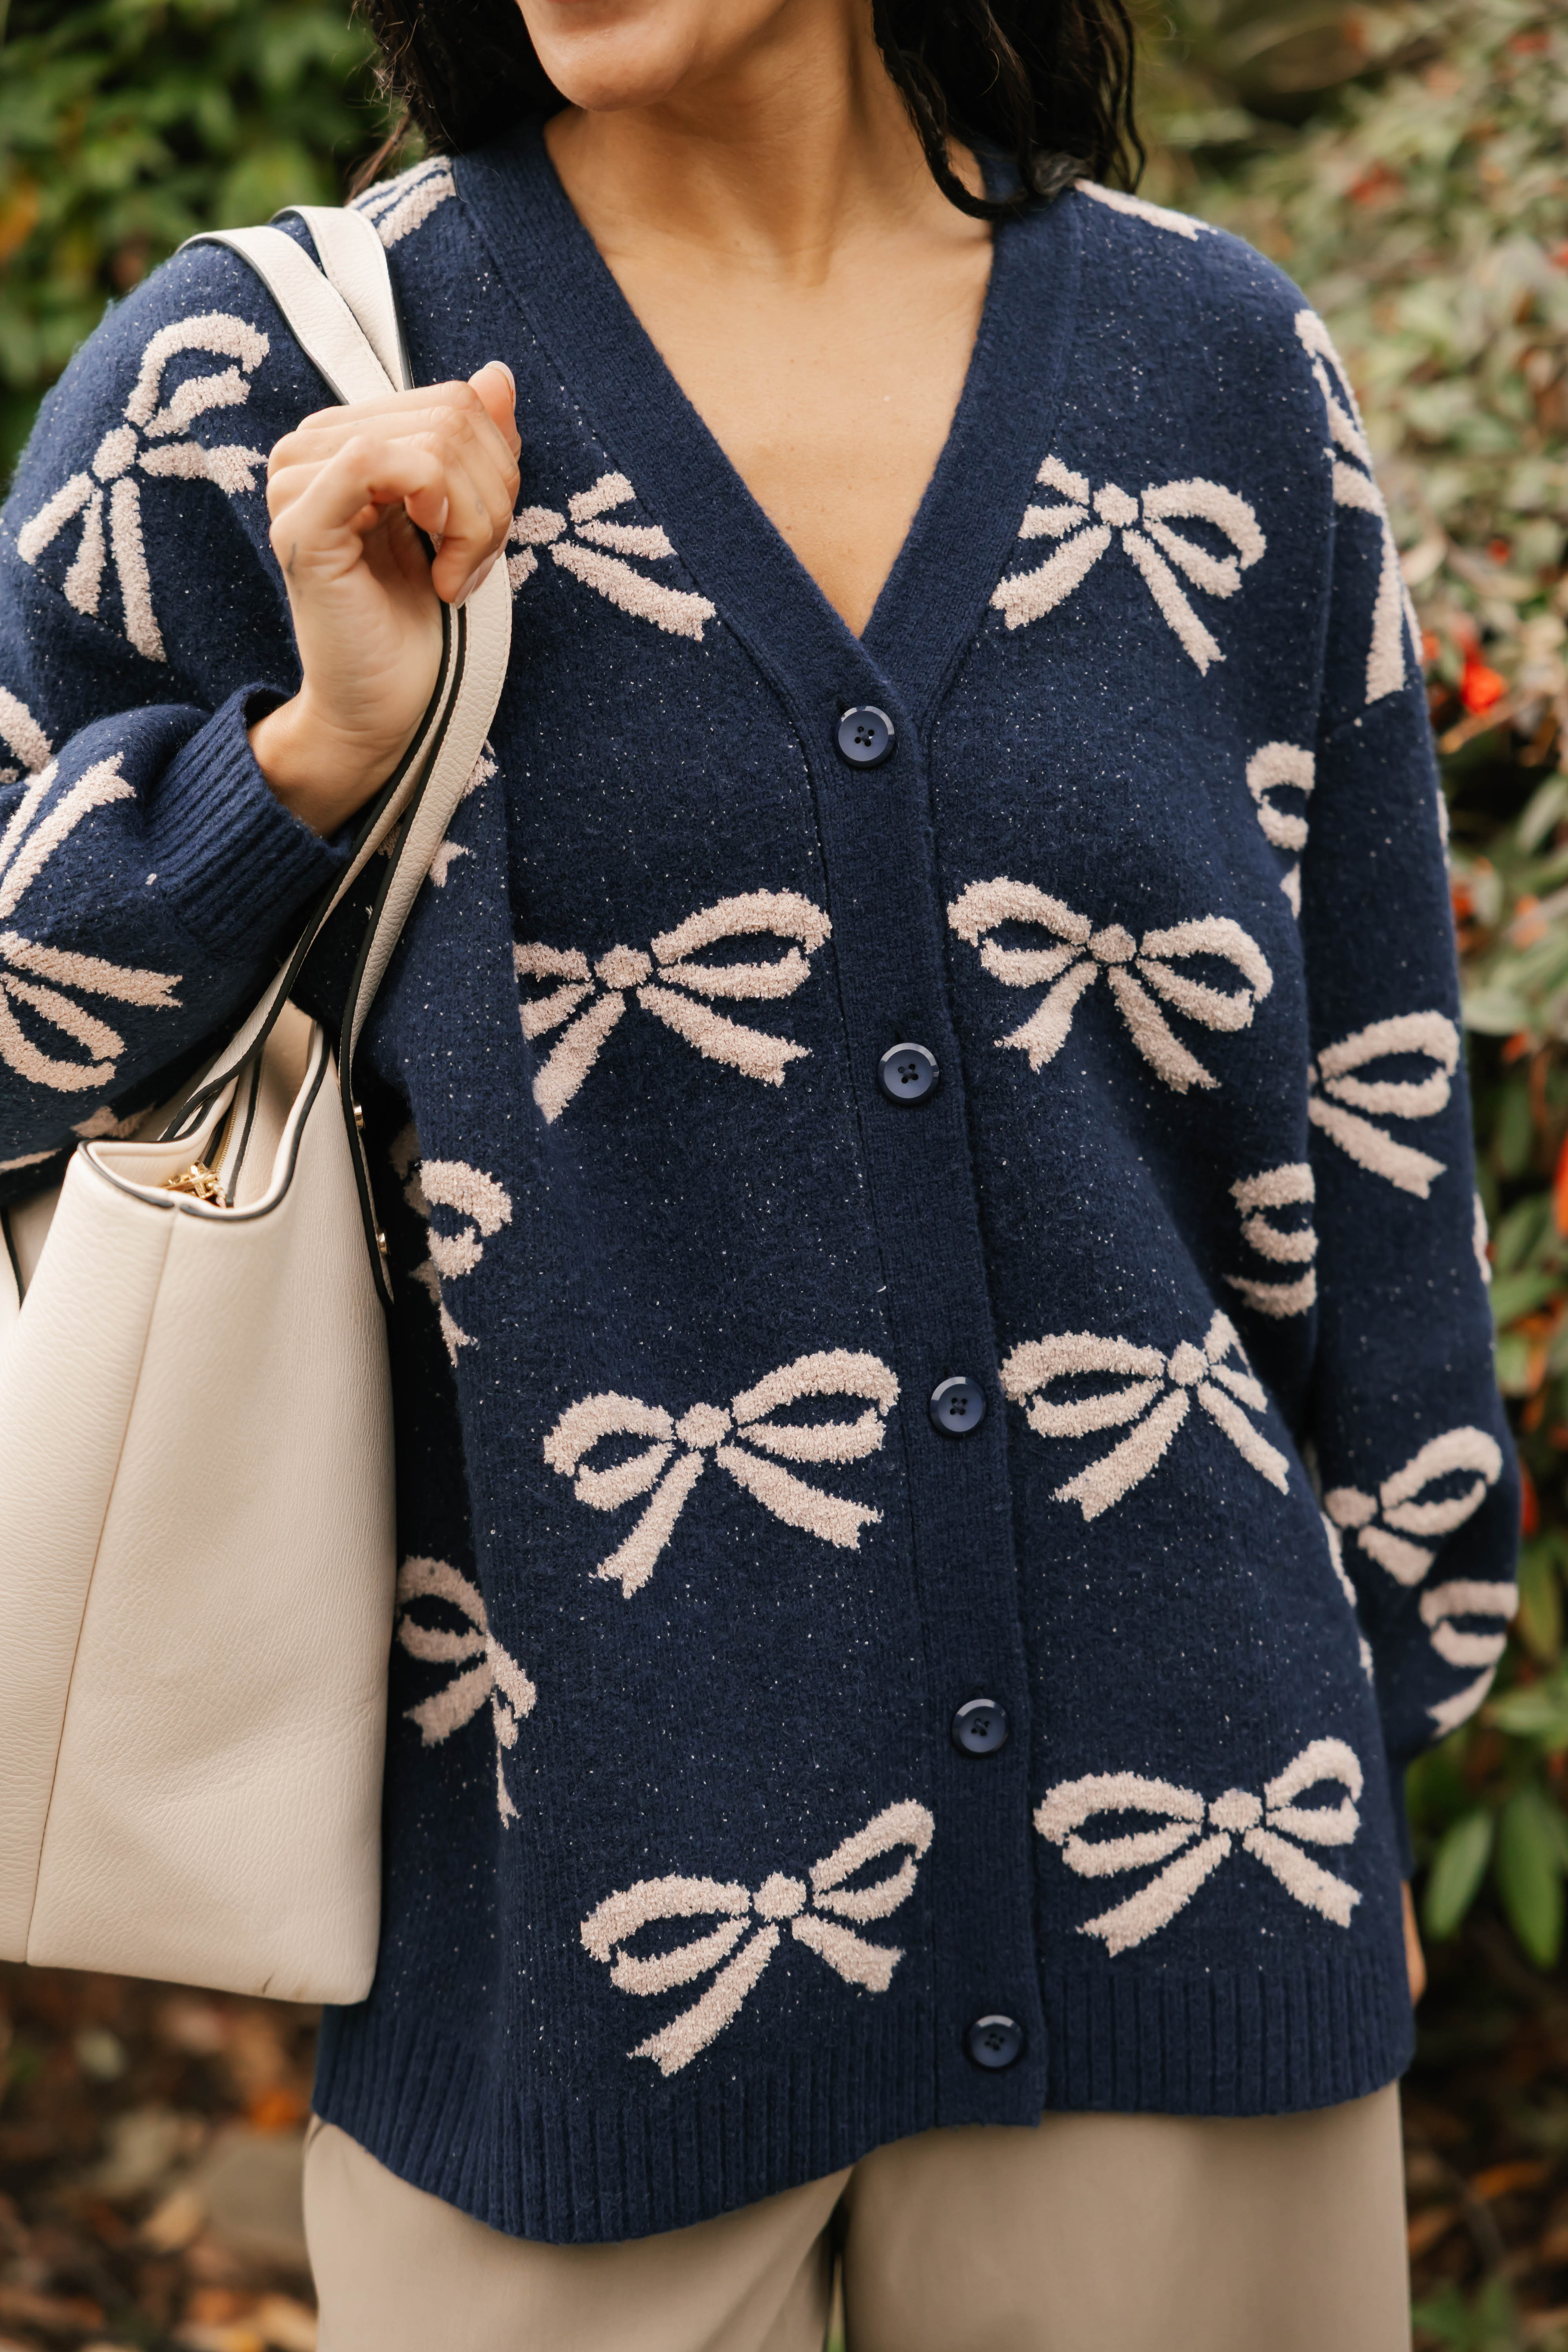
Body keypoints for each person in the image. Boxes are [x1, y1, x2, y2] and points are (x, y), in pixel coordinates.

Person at [0, 0, 1519, 2344]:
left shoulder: (1218, 366)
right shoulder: (262, 385)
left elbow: (1373, 1095)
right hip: (558, 1955)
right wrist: (302, 759)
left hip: (1192, 1874)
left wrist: (1383, 1724)